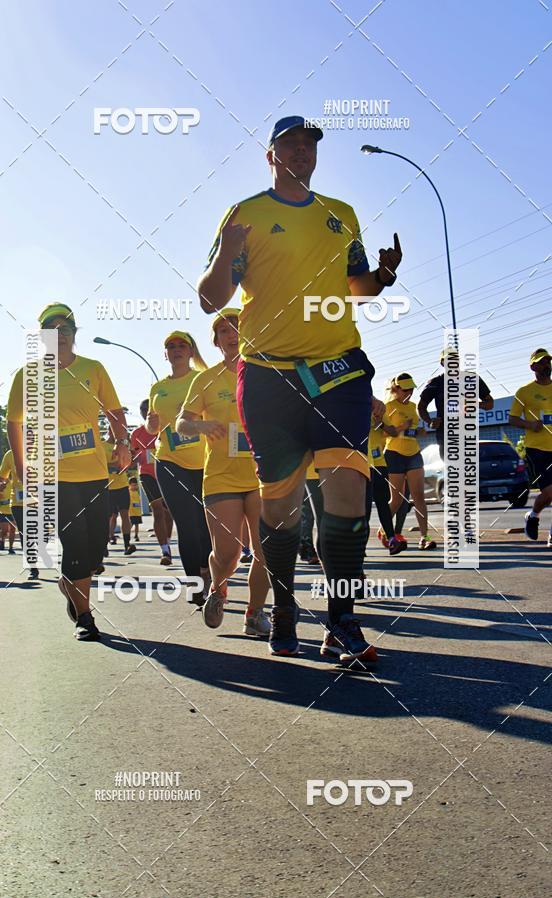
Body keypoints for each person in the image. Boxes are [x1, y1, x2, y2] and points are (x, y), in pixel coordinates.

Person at [197, 115, 403, 663]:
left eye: (309, 144)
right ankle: (284, 609)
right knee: (282, 509)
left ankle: (342, 621)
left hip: (338, 373)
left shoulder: (342, 214)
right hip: (269, 377)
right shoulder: (246, 214)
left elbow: (356, 289)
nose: (301, 152)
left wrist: (381, 276)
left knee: (346, 496)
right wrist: (225, 254)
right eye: (289, 143)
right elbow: (211, 299)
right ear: (270, 155)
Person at [7, 303, 130, 640]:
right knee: (74, 544)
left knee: (95, 549)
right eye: (52, 329)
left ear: (74, 335)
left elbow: (115, 409)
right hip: (52, 475)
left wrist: (122, 442)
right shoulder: (28, 375)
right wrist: (21, 468)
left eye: (65, 329)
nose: (59, 335)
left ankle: (70, 584)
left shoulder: (94, 369)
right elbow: (14, 422)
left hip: (94, 472)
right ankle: (85, 618)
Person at [176, 308, 271, 636]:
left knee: (266, 549)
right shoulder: (206, 379)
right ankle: (218, 588)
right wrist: (201, 424)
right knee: (229, 551)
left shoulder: (266, 373)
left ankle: (255, 613)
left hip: (264, 474)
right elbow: (181, 424)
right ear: (216, 342)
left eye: (237, 327)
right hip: (221, 476)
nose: (232, 334)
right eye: (223, 330)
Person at [146, 332, 211, 605]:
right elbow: (153, 429)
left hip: (205, 460)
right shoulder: (157, 388)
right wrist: (151, 423)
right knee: (185, 523)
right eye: (170, 346)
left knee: (204, 523)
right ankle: (194, 583)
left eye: (181, 345)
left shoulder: (204, 379)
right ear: (166, 354)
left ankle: (208, 572)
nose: (176, 350)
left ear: (191, 350)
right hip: (169, 460)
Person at [384, 374, 436, 550]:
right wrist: (400, 428)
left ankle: (425, 537)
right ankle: (386, 532)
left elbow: (411, 431)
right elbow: (381, 433)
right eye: (405, 389)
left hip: (413, 454)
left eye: (411, 389)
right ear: (396, 389)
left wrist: (419, 431)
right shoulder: (388, 407)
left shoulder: (413, 407)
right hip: (394, 455)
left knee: (419, 497)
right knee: (397, 500)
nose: (409, 393)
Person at [508, 348, 552, 545]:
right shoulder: (524, 392)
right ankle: (533, 515)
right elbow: (512, 419)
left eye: (548, 362)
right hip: (537, 449)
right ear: (533, 366)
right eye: (542, 363)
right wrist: (530, 425)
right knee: (550, 491)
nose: (546, 366)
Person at [418, 348, 493, 459]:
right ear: (442, 363)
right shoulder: (435, 382)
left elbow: (490, 404)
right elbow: (421, 406)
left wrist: (474, 403)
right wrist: (430, 421)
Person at [131, 400, 173, 564]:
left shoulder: (165, 429)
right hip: (147, 474)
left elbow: (174, 448)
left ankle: (167, 543)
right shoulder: (136, 434)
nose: (145, 413)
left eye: (148, 410)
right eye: (143, 410)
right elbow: (133, 457)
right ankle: (165, 551)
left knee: (169, 512)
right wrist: (137, 457)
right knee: (157, 510)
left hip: (166, 472)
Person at [367, 408, 405, 554]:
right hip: (360, 462)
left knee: (382, 503)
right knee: (364, 508)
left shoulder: (378, 407)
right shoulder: (351, 402)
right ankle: (359, 546)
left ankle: (391, 539)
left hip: (378, 462)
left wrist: (380, 424)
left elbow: (394, 432)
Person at [0, 449, 39, 578]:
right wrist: (1, 483)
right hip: (18, 502)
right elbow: (1, 476)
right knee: (25, 533)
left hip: (40, 500)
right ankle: (33, 566)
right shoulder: (10, 454)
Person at [103, 435, 136, 556]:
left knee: (125, 515)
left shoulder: (124, 446)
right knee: (107, 518)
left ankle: (127, 544)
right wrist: (114, 465)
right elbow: (102, 465)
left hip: (122, 486)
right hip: (108, 487)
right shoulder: (103, 446)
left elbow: (129, 463)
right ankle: (103, 546)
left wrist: (124, 464)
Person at [128, 476, 143, 541]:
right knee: (131, 524)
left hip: (137, 512)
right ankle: (127, 534)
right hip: (131, 512)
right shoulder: (128, 492)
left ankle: (136, 535)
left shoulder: (137, 492)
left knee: (137, 524)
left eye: (135, 485)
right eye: (133, 485)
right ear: (130, 485)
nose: (134, 487)